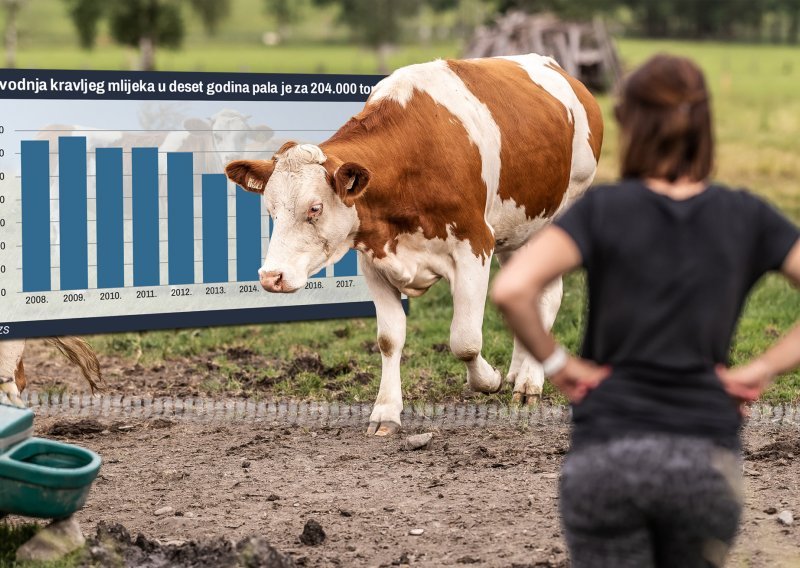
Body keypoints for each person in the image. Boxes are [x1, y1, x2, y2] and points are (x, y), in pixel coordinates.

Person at [491, 54, 800, 568]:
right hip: (703, 463)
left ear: (628, 123)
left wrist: (559, 366)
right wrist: (759, 370)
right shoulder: (746, 215)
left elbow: (513, 289)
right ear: (705, 125)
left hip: (606, 458)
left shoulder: (603, 210)